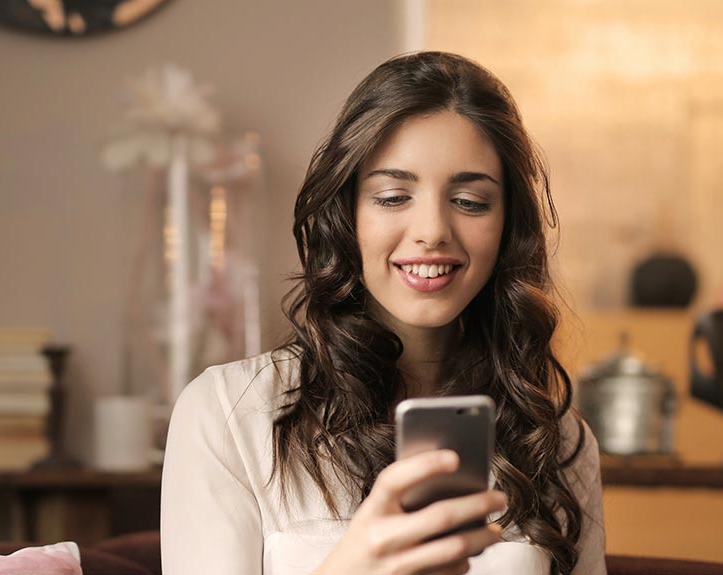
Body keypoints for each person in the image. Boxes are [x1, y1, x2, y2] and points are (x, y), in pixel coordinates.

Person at [160, 51, 606, 575]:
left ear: (507, 226)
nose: (432, 230)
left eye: (469, 201)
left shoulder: (556, 438)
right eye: (393, 196)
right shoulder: (228, 414)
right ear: (346, 215)